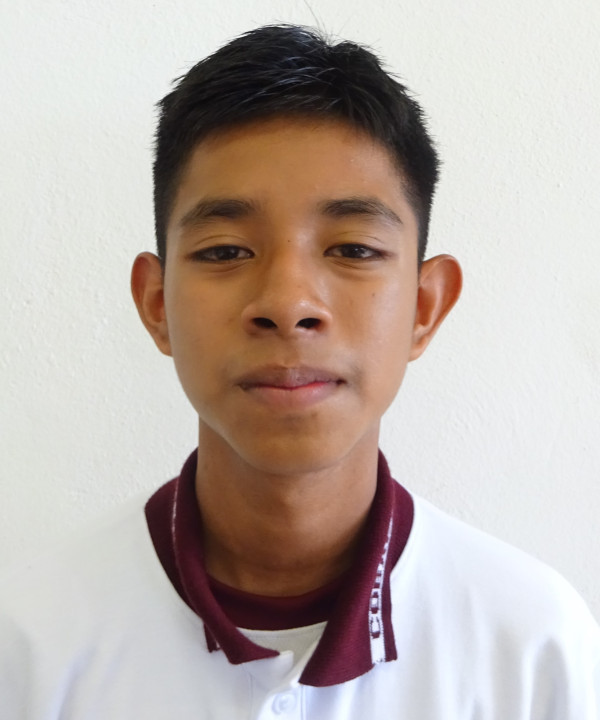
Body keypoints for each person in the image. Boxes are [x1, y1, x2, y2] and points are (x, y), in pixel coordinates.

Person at [1, 23, 598, 719]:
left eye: (353, 248)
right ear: (157, 304)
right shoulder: (29, 643)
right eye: (226, 251)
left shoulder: (532, 649)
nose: (288, 305)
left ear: (425, 307)